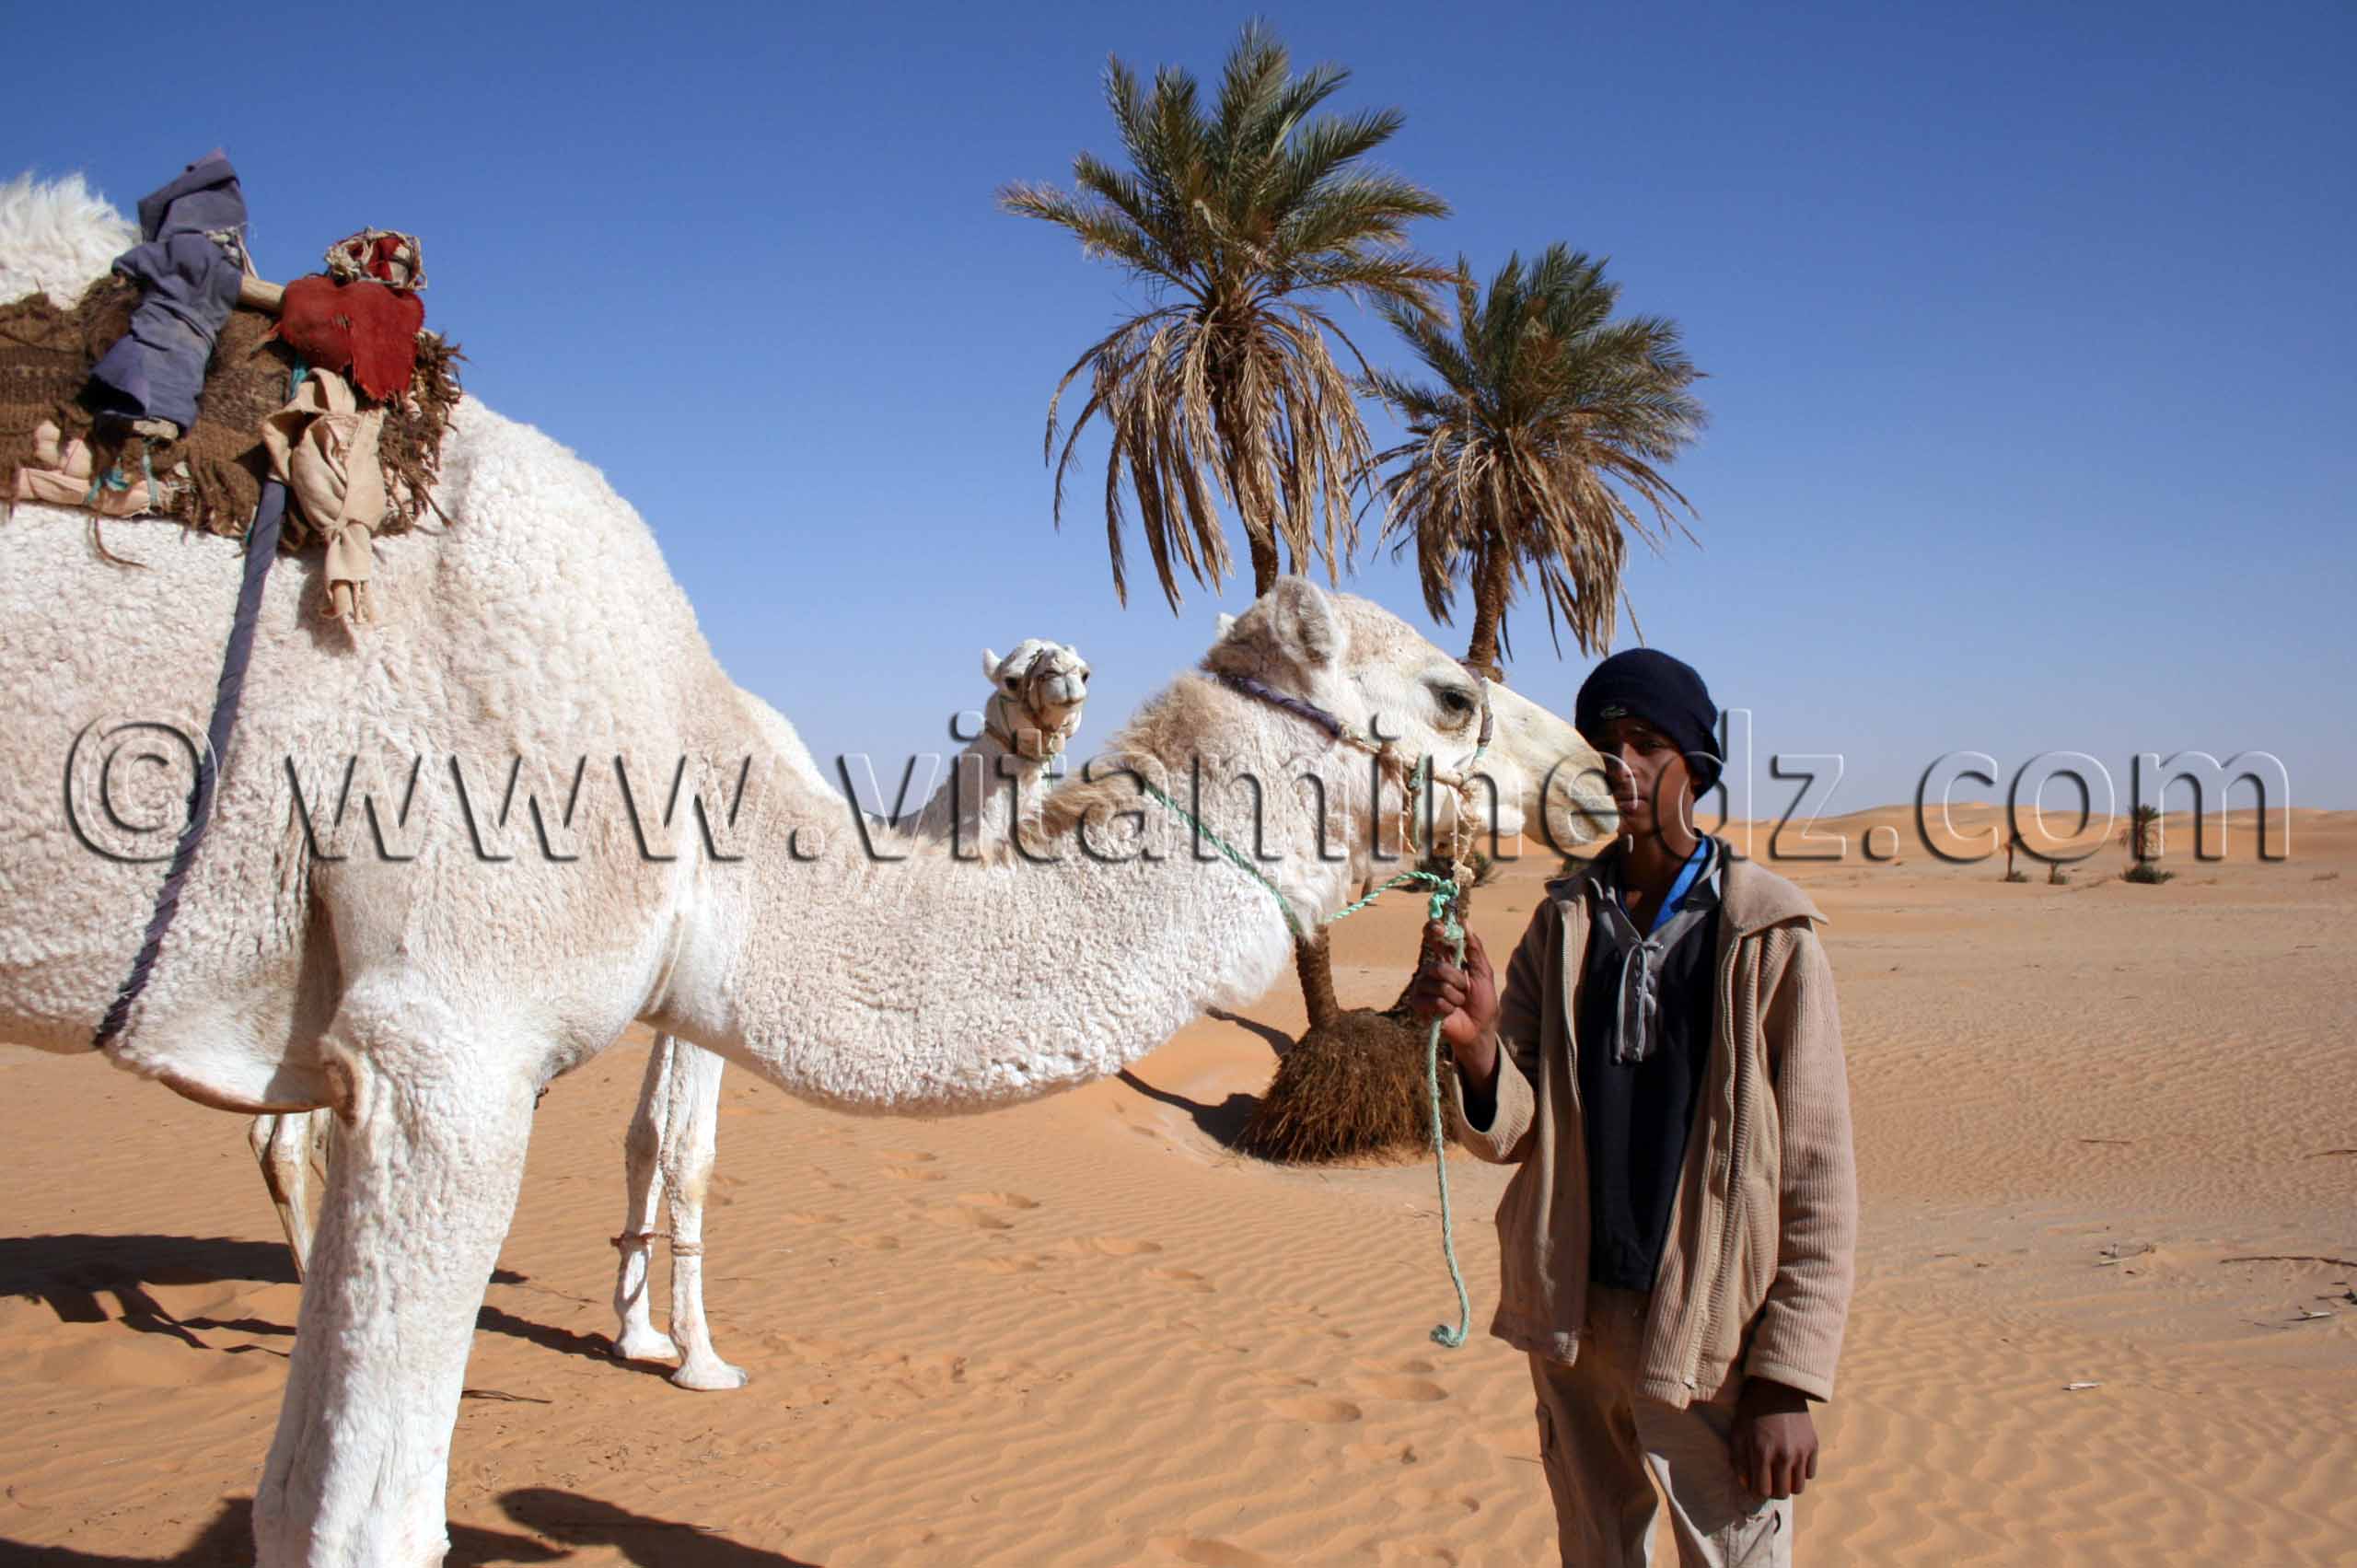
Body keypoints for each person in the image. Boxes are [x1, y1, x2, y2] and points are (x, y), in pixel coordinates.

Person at [1407, 648, 1856, 1567]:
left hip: (1710, 1333)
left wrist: (1786, 1379)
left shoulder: (1768, 932)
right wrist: (1478, 1046)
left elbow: (1816, 1167)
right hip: (1574, 1320)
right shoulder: (1562, 920)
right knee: (1594, 1547)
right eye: (1600, 742)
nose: (1620, 762)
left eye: (1646, 742)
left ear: (1696, 763)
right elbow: (1515, 1127)